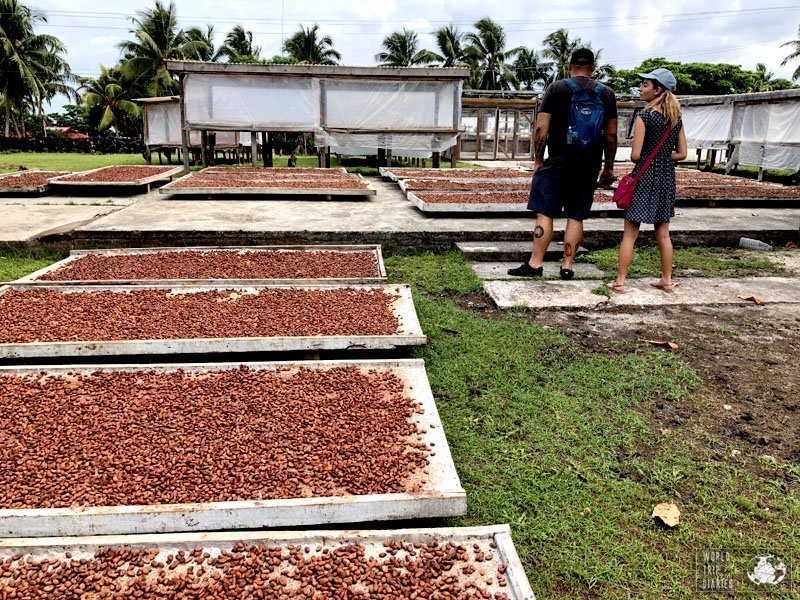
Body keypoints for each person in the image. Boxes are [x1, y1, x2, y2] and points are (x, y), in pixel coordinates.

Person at [508, 48, 618, 280]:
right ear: (593, 67)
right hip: (589, 164)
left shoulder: (557, 88)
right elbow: (611, 135)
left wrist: (539, 160)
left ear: (570, 66)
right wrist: (608, 167)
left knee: (545, 212)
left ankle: (535, 264)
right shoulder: (607, 93)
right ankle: (567, 265)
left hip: (557, 161)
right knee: (576, 216)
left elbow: (541, 128)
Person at [607, 68, 688, 293]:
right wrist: (663, 156)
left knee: (630, 233)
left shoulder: (644, 116)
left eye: (645, 85)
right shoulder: (676, 119)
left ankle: (620, 281)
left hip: (644, 177)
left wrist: (650, 156)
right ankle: (667, 280)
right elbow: (682, 154)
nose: (641, 89)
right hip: (666, 177)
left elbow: (635, 155)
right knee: (663, 233)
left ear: (658, 89)